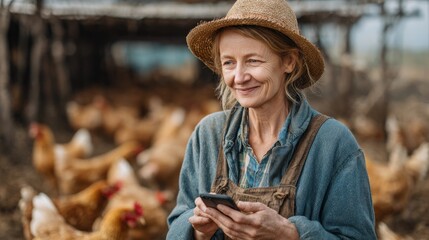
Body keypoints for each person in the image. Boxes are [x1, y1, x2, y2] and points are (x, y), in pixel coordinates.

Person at [167, 0, 377, 239]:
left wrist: (290, 233)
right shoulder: (207, 134)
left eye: (253, 61)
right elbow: (176, 222)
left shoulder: (333, 143)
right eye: (228, 63)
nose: (239, 77)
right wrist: (196, 231)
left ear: (289, 61)